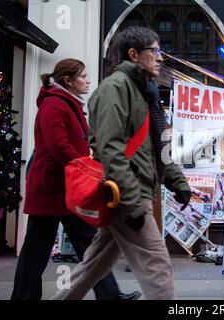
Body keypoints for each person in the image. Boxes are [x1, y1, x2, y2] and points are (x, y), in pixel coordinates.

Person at [52, 26, 191, 300]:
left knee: (93, 266)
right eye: (155, 50)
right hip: (128, 195)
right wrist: (132, 203)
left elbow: (157, 147)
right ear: (134, 54)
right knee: (157, 266)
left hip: (132, 193)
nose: (161, 58)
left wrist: (177, 181)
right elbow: (110, 148)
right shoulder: (115, 88)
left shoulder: (145, 92)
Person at [11, 59, 141, 301]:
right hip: (51, 190)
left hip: (67, 188)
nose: (88, 80)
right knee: (35, 252)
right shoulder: (54, 105)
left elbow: (75, 143)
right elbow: (59, 146)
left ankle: (110, 295)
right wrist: (87, 170)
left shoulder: (68, 104)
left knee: (89, 245)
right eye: (83, 76)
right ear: (68, 80)